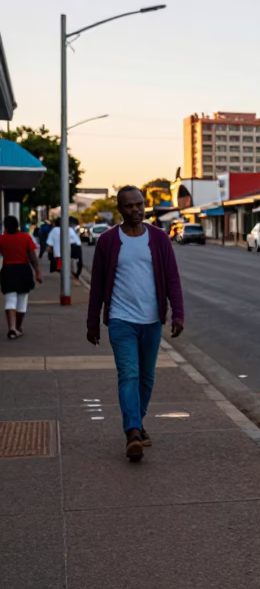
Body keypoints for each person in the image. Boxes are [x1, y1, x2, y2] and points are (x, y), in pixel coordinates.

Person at [87, 185, 185, 462]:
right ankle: (132, 432)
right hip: (121, 319)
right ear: (120, 209)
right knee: (128, 375)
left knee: (146, 377)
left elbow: (172, 279)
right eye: (129, 206)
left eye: (139, 204)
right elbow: (96, 285)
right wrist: (92, 321)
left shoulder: (159, 238)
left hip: (151, 320)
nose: (135, 210)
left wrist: (178, 313)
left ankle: (138, 423)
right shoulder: (107, 241)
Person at [0, 215, 42, 339]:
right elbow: (32, 256)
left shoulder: (2, 239)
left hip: (8, 271)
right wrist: (38, 271)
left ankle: (12, 327)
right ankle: (18, 327)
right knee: (22, 300)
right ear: (18, 225)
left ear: (5, 226)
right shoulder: (25, 237)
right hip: (23, 270)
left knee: (10, 299)